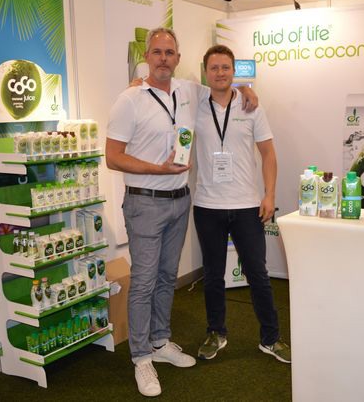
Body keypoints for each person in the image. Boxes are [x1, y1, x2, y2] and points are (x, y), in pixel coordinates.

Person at [106, 28, 257, 398]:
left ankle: (160, 341)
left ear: (178, 57)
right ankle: (141, 357)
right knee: (143, 281)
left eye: (169, 52)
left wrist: (247, 89)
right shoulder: (130, 99)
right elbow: (113, 157)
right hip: (144, 201)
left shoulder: (188, 90)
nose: (163, 58)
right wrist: (158, 170)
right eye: (157, 52)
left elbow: (222, 87)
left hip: (179, 201)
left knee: (166, 277)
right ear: (147, 56)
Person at [193, 45, 291, 364]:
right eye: (214, 68)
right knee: (212, 275)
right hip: (207, 206)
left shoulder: (251, 107)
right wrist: (138, 83)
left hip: (247, 205)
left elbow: (269, 154)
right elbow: (163, 85)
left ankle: (270, 338)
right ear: (205, 72)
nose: (220, 73)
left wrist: (269, 195)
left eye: (225, 67)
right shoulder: (194, 103)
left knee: (258, 273)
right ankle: (216, 332)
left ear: (234, 71)